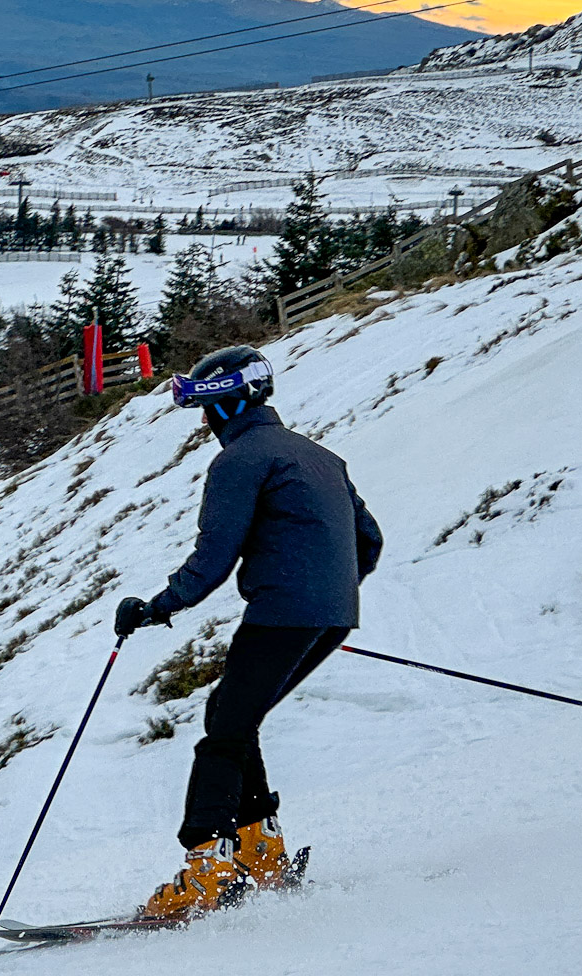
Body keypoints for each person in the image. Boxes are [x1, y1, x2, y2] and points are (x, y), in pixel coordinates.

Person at [115, 345, 384, 919]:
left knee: (223, 728)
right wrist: (328, 596)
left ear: (228, 406)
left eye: (206, 411)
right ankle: (261, 852)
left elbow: (215, 555)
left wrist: (157, 607)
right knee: (238, 720)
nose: (205, 425)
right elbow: (370, 540)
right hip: (330, 614)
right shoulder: (322, 456)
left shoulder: (240, 460)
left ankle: (207, 871)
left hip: (284, 613)